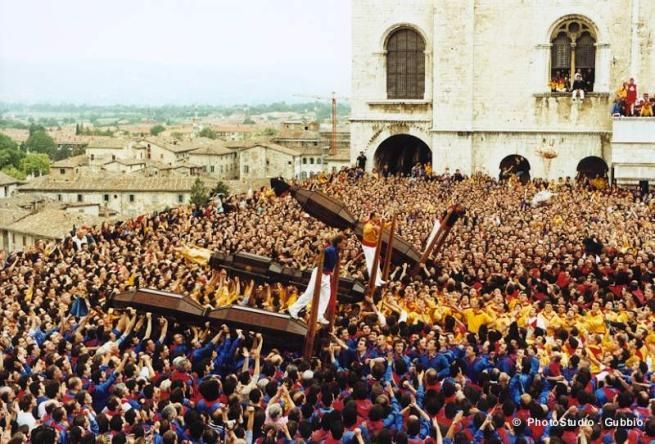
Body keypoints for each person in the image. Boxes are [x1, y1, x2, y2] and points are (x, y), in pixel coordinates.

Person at [288, 234, 344, 324]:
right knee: (309, 294)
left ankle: (319, 315)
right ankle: (294, 309)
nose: (345, 245)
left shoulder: (336, 251)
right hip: (319, 273)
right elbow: (323, 253)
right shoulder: (330, 250)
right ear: (338, 243)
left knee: (326, 295)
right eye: (343, 243)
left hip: (326, 275)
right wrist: (322, 248)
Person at [361, 213, 385, 287]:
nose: (378, 218)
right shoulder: (368, 224)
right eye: (377, 217)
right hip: (367, 246)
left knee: (376, 262)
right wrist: (373, 228)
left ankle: (378, 279)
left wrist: (391, 223)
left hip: (373, 245)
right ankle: (373, 280)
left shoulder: (375, 223)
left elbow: (383, 227)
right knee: (371, 264)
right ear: (373, 217)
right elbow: (366, 231)